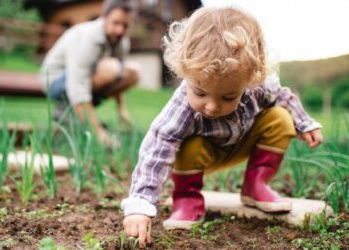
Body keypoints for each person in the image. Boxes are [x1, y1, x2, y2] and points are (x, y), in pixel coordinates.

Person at [121, 6, 323, 248]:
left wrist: (304, 123)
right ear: (185, 72)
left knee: (280, 118)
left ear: (250, 80)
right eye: (200, 92)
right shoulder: (181, 107)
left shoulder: (256, 86)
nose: (212, 106)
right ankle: (186, 198)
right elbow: (157, 147)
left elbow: (284, 96)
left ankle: (255, 185)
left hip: (240, 143)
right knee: (184, 143)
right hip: (200, 157)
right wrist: (140, 204)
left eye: (228, 97)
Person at [39, 0, 139, 147]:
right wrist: (99, 132)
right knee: (111, 68)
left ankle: (75, 115)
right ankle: (66, 112)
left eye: (125, 25)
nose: (120, 30)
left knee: (133, 73)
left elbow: (119, 78)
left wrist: (122, 111)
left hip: (84, 80)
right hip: (55, 81)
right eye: (116, 23)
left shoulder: (122, 41)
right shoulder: (87, 37)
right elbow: (77, 86)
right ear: (104, 17)